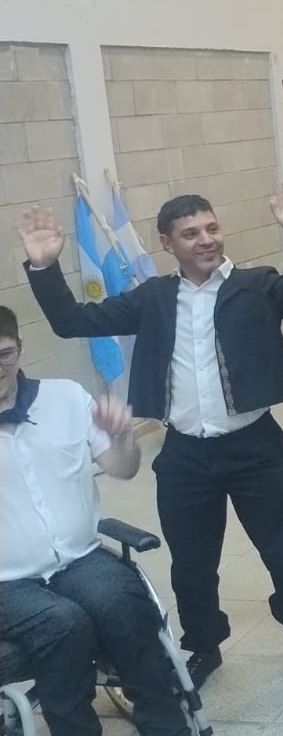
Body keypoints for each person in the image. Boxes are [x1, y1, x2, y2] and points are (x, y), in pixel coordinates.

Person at [18, 194, 283, 691]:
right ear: (167, 243)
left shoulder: (258, 286)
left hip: (256, 449)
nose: (206, 240)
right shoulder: (153, 298)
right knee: (191, 565)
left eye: (212, 228)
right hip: (185, 454)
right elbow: (72, 321)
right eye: (191, 233)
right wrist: (44, 268)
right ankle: (203, 645)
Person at [0, 306, 190, 736]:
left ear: (20, 349)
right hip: (8, 582)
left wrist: (122, 436)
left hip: (80, 558)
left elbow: (123, 468)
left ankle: (166, 725)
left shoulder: (66, 398)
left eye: (4, 354)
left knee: (124, 604)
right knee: (62, 623)